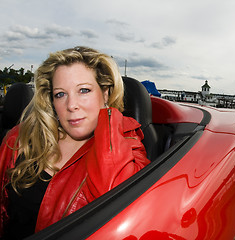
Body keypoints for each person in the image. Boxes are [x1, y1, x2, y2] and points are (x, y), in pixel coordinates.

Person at [0, 46, 150, 239]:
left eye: (84, 90)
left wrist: (110, 117)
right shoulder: (21, 137)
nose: (71, 105)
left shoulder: (128, 145)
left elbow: (119, 211)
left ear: (105, 93)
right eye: (60, 94)